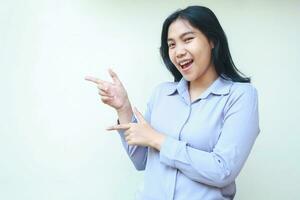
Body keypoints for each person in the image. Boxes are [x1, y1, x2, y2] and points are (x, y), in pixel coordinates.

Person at [85, 5, 260, 200]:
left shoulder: (240, 96)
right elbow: (142, 160)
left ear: (212, 40)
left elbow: (223, 170)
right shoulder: (162, 93)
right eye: (171, 44)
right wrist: (123, 108)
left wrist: (158, 139)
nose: (178, 52)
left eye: (188, 39)